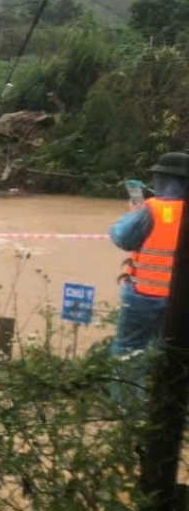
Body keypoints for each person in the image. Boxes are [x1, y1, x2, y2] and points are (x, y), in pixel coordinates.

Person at [109, 151, 188, 410]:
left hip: (144, 297)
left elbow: (122, 237)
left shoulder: (153, 210)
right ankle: (169, 409)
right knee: (175, 354)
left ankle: (128, 411)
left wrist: (134, 212)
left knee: (130, 352)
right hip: (181, 303)